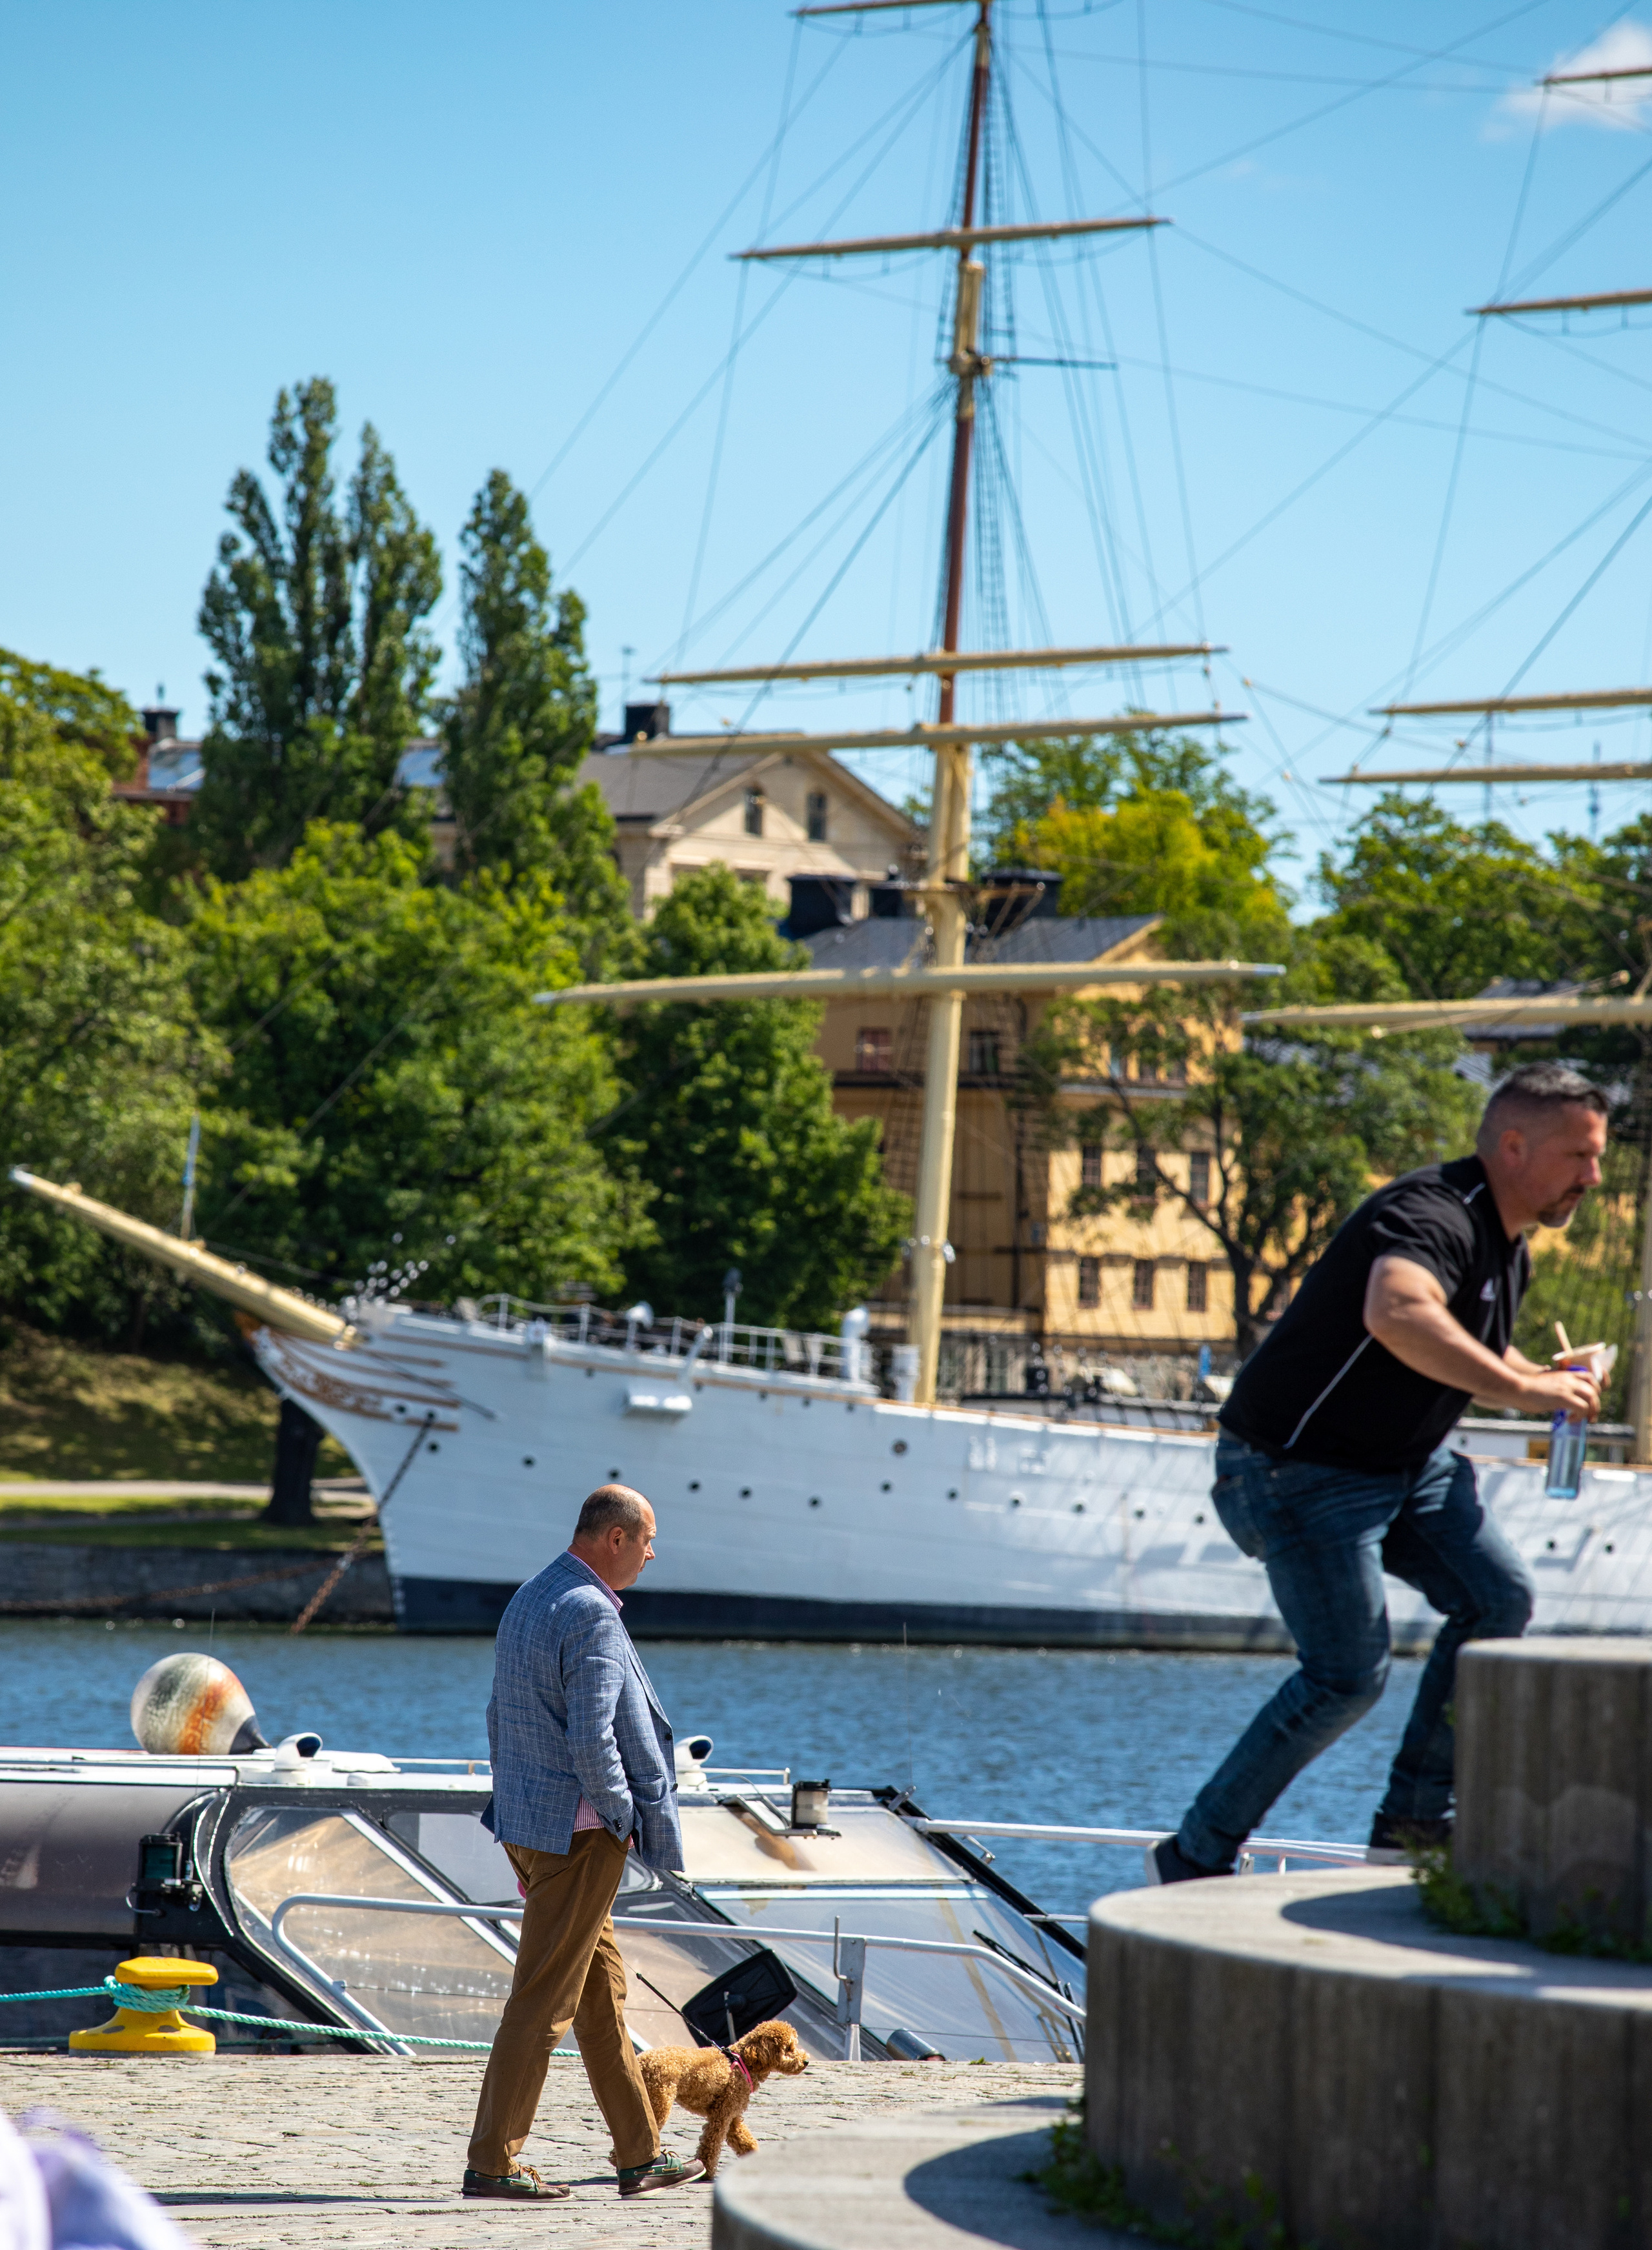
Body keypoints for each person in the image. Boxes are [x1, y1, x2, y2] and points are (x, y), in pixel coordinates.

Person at [1154, 1061, 1608, 1883]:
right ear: (1513, 1146)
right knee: (1346, 1675)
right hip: (1295, 1470)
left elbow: (1462, 1334)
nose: (1594, 1176)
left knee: (1498, 1599)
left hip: (1404, 1465)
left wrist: (1548, 1376)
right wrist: (1524, 1388)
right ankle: (1195, 1853)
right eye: (1579, 1155)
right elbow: (1396, 1310)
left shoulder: (1509, 1245)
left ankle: (1413, 1822)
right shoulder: (1432, 1212)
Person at [463, 1485, 703, 2200]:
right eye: (648, 1539)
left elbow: (497, 1712)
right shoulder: (593, 1612)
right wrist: (624, 1813)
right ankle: (492, 2161)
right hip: (581, 1834)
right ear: (616, 1538)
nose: (653, 1553)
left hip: (531, 1824)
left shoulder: (532, 1595)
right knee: (544, 2000)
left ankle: (640, 2152)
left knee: (600, 1992)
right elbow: (593, 1737)